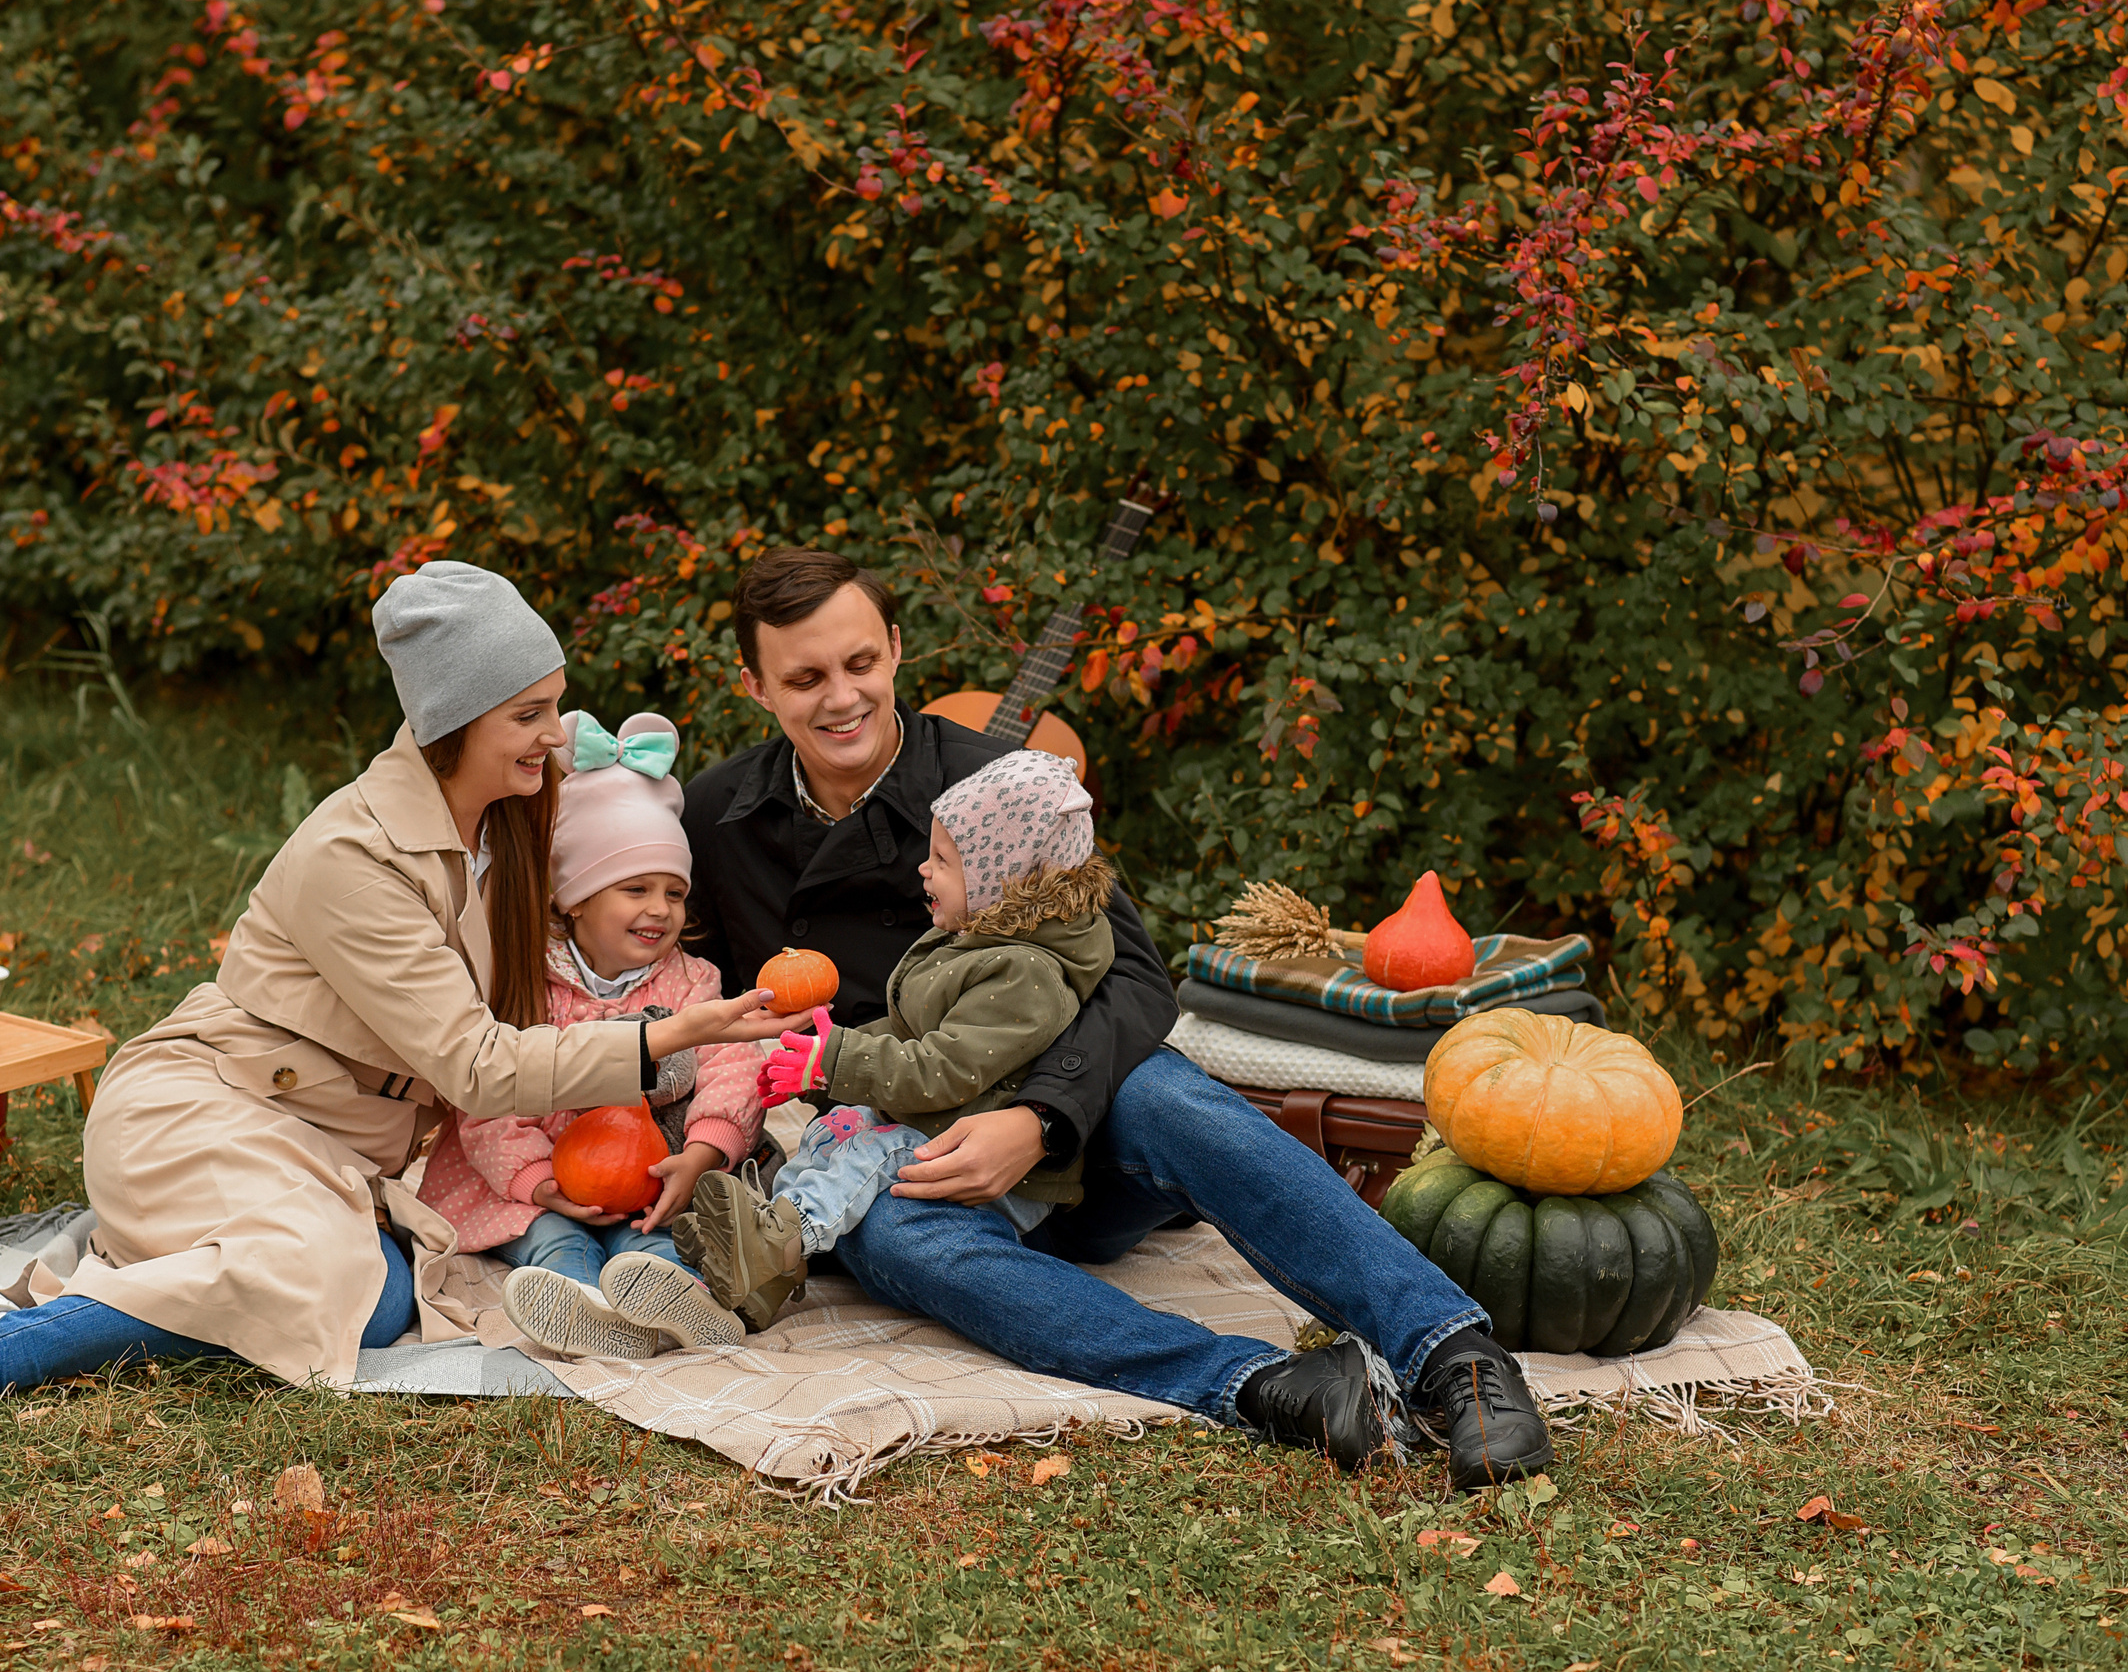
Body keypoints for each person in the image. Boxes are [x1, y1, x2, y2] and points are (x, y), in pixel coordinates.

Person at [0, 563, 800, 1428]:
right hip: (208, 1108)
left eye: (555, 705)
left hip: (325, 1150)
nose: (556, 733)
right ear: (458, 720)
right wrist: (668, 1032)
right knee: (321, 1283)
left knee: (369, 1306)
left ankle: (129, 1282)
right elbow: (475, 1063)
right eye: (529, 713)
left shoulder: (501, 823)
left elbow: (592, 916)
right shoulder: (355, 853)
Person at [678, 547, 1552, 1488]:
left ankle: (1452, 1353)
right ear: (756, 687)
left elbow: (1135, 979)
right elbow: (675, 995)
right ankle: (1272, 1388)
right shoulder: (718, 817)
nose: (841, 697)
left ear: (895, 648)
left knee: (1169, 1093)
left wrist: (1038, 1118)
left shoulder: (1002, 783)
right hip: (903, 1151)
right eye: (804, 678)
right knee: (888, 1237)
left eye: (859, 664)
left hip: (1075, 1135)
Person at [677, 749, 1113, 1331]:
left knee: (870, 1150)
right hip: (938, 1121)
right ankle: (764, 1266)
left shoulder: (1024, 972)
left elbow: (945, 1067)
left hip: (995, 1169)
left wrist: (836, 1060)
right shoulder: (978, 943)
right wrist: (819, 1060)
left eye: (942, 860)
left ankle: (776, 1244)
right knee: (834, 1128)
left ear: (1000, 881)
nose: (923, 869)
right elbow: (912, 1031)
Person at [416, 710, 757, 1361]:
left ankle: (677, 1298)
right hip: (535, 1178)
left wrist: (705, 1152)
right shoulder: (527, 983)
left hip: (652, 1173)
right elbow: (486, 1094)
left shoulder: (692, 981)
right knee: (555, 1239)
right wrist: (541, 1181)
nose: (658, 907)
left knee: (650, 1241)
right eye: (634, 888)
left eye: (674, 891)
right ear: (574, 897)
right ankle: (578, 1308)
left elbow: (732, 1066)